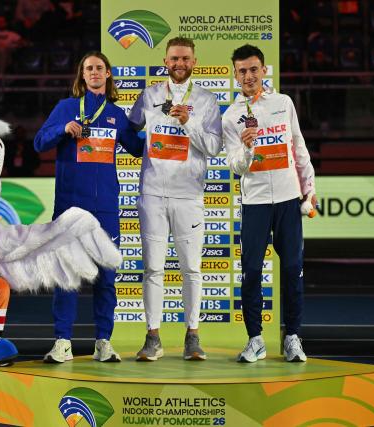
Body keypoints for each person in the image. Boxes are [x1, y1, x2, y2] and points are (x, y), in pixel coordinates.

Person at [34, 51, 143, 363]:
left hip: (106, 209)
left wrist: (161, 125)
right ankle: (62, 341)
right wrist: (62, 129)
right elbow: (39, 143)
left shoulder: (117, 115)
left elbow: (137, 149)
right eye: (89, 68)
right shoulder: (66, 107)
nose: (94, 72)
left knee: (106, 279)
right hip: (70, 207)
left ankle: (103, 341)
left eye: (100, 68)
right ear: (82, 76)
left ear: (108, 74)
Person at [128, 37, 223, 361]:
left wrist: (188, 122)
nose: (179, 64)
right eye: (173, 59)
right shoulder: (150, 94)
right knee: (153, 268)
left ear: (194, 61)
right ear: (165, 61)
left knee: (191, 269)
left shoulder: (207, 100)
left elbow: (213, 147)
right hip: (152, 193)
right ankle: (152, 337)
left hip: (189, 194)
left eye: (184, 58)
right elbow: (129, 132)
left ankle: (192, 336)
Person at [222, 44, 316, 363]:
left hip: (289, 200)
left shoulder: (283, 103)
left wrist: (309, 189)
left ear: (263, 70)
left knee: (292, 269)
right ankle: (255, 339)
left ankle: (292, 337)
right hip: (256, 203)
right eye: (242, 71)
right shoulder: (231, 116)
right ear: (235, 76)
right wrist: (247, 150)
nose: (248, 75)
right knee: (250, 271)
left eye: (253, 69)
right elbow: (235, 165)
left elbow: (298, 147)